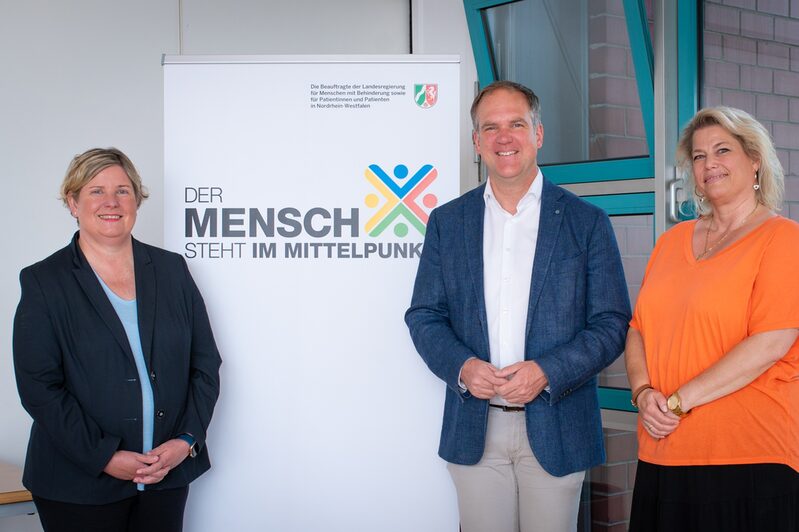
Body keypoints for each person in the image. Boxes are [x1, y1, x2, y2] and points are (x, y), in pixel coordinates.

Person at [404, 80, 630, 532]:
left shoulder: (587, 223)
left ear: (539, 134)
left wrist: (548, 370)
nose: (504, 138)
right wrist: (463, 367)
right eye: (491, 127)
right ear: (477, 142)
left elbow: (610, 322)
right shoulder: (448, 223)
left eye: (516, 124)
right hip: (475, 427)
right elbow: (424, 314)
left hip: (558, 423)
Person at [13, 148, 222, 532]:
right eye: (96, 191)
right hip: (78, 485)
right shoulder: (45, 281)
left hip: (166, 476)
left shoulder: (171, 269)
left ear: (136, 201)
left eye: (123, 191)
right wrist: (104, 456)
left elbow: (205, 364)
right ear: (73, 203)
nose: (111, 202)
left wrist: (186, 441)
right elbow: (39, 388)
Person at [625, 106, 799, 531]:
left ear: (754, 159)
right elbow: (638, 330)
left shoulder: (784, 239)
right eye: (699, 156)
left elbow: (770, 343)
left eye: (723, 150)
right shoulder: (671, 241)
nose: (709, 164)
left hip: (747, 455)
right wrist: (644, 392)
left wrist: (679, 402)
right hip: (663, 448)